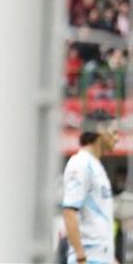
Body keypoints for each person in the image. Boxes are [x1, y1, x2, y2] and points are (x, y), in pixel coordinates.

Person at [62, 111, 119, 264]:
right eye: (114, 132)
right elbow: (69, 212)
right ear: (100, 130)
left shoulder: (96, 166)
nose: (117, 138)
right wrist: (81, 257)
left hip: (100, 257)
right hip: (88, 258)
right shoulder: (81, 164)